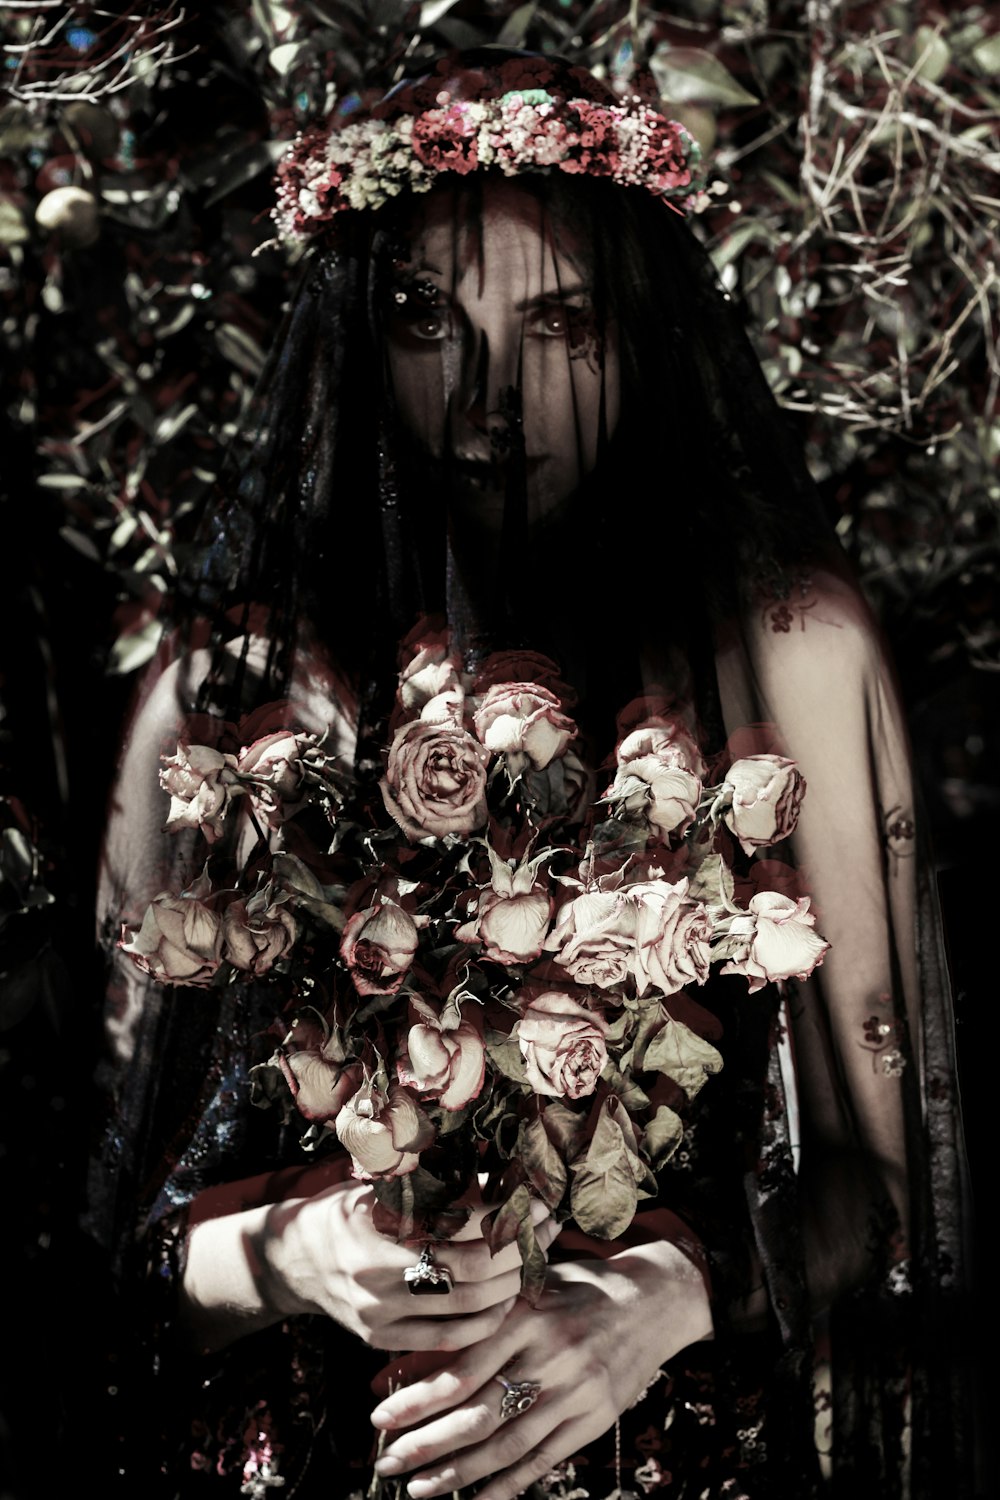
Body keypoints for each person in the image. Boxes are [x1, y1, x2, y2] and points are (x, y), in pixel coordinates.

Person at [89, 49, 973, 1500]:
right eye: (431, 319)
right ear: (359, 343)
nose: (497, 401)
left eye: (563, 322)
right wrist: (295, 1252)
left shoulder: (784, 654)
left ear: (641, 340)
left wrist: (663, 1301)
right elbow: (91, 1254)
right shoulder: (229, 697)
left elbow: (900, 1190)